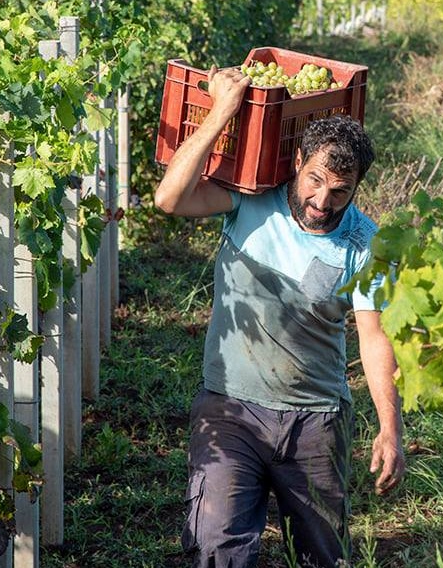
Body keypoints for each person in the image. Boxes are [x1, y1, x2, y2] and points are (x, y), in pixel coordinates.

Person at [154, 64, 405, 568]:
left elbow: (374, 340)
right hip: (229, 411)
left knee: (320, 557)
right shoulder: (249, 202)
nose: (321, 201)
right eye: (315, 180)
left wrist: (390, 427)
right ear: (297, 161)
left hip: (315, 421)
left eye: (340, 191)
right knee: (216, 548)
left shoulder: (368, 244)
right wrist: (223, 110)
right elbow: (169, 198)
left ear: (357, 187)